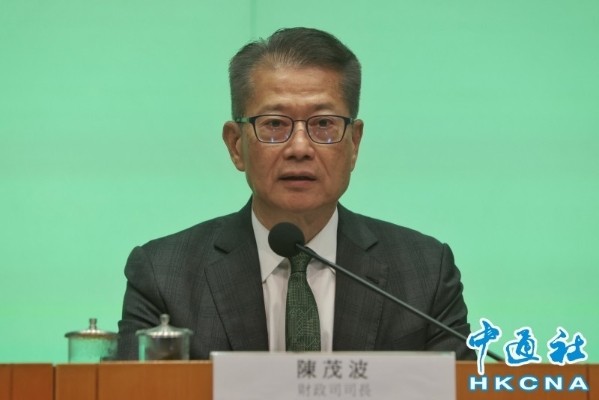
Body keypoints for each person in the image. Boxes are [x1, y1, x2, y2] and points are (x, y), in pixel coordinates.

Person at [117, 27, 475, 360]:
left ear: (354, 144)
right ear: (236, 145)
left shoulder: (424, 272)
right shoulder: (164, 276)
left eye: (324, 124)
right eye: (274, 124)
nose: (300, 148)